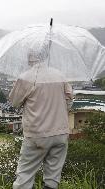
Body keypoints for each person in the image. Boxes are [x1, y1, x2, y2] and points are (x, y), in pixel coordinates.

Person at [9, 49, 73, 189]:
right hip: (60, 133)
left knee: (24, 176)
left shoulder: (26, 77)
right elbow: (69, 100)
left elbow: (14, 102)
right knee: (52, 178)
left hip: (37, 134)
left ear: (29, 57)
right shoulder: (60, 75)